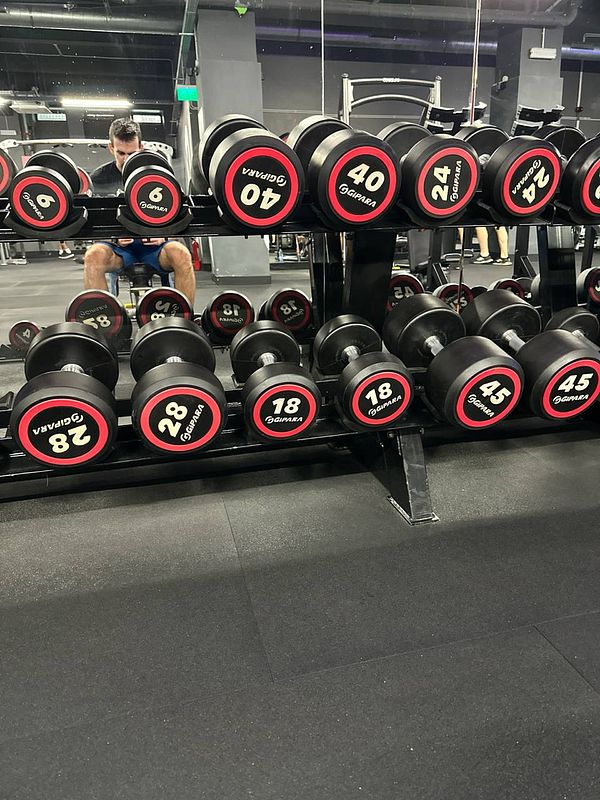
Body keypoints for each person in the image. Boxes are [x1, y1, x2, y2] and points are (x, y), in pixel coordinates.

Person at [84, 118, 196, 306]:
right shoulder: (98, 178)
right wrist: (113, 238)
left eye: (132, 153)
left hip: (154, 248)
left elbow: (175, 214)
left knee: (181, 254)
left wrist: (164, 236)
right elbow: (94, 223)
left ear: (141, 147)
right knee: (93, 256)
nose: (126, 159)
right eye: (121, 153)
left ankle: (186, 320)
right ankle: (103, 323)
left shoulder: (158, 174)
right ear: (111, 148)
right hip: (118, 249)